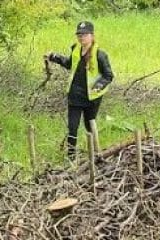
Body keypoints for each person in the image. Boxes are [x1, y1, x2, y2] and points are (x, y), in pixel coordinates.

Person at [45, 21, 114, 158]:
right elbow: (69, 64)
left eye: (84, 35)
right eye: (79, 35)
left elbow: (108, 75)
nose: (81, 37)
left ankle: (95, 155)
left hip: (91, 98)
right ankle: (71, 157)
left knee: (90, 127)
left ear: (92, 36)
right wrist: (55, 57)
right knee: (72, 128)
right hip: (75, 96)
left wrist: (98, 86)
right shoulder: (76, 49)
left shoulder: (100, 55)